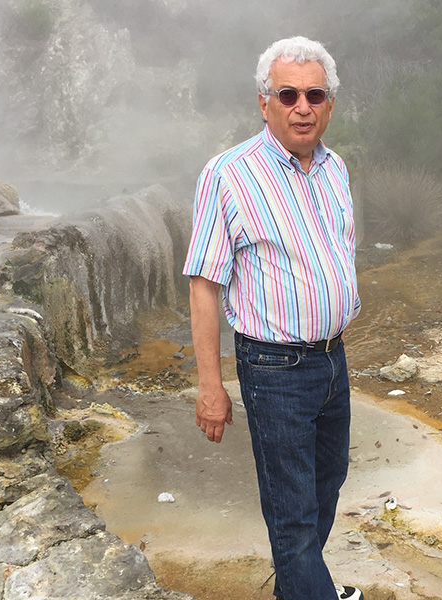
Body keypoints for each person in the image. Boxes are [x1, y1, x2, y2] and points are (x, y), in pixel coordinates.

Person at [182, 36, 363, 600]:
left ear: (330, 103)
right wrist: (211, 387)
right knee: (293, 514)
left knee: (327, 486)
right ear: (265, 102)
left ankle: (297, 585)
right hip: (275, 368)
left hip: (333, 359)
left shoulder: (335, 169)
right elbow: (204, 286)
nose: (302, 107)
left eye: (314, 94)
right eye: (288, 94)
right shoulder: (228, 174)